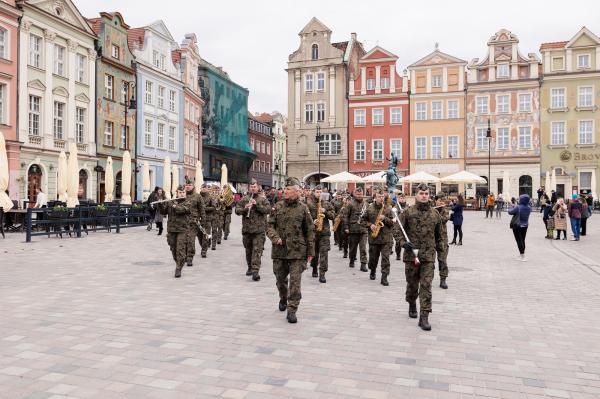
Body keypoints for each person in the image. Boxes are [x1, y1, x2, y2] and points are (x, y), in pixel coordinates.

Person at [266, 177, 315, 324]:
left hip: (297, 251)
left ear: (296, 191)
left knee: (295, 282)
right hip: (279, 250)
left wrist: (311, 252)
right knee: (280, 280)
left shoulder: (303, 208)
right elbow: (269, 226)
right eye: (285, 189)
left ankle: (292, 308)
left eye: (288, 189)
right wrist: (275, 238)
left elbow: (310, 231)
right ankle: (283, 297)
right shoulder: (277, 207)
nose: (285, 191)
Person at [398, 183, 444, 331]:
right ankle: (412, 303)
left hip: (428, 256)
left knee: (426, 285)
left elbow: (439, 235)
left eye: (426, 193)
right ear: (416, 195)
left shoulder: (435, 214)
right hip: (412, 256)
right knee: (412, 285)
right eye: (421, 193)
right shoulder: (407, 212)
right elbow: (397, 230)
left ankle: (424, 316)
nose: (424, 196)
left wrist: (441, 253)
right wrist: (403, 243)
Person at [235, 178, 271, 281]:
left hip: (259, 230)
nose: (253, 188)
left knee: (257, 251)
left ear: (258, 187)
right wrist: (245, 208)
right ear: (249, 188)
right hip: (247, 230)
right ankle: (250, 267)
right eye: (251, 187)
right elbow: (237, 211)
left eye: (254, 187)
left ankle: (256, 271)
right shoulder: (244, 199)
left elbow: (268, 210)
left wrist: (257, 205)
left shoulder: (263, 199)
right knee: (248, 250)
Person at [362, 190, 394, 286]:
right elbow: (362, 220)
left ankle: (384, 277)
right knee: (373, 258)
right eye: (379, 196)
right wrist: (370, 225)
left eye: (382, 196)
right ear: (375, 197)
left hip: (386, 239)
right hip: (374, 239)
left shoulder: (388, 208)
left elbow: (393, 223)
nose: (381, 198)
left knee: (385, 259)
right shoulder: (369, 208)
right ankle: (373, 270)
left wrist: (385, 218)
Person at [158, 186, 190, 278]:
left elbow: (181, 210)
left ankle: (178, 268)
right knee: (173, 249)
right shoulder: (171, 202)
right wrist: (160, 204)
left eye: (183, 192)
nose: (182, 194)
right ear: (177, 193)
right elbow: (164, 212)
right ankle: (179, 262)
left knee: (180, 249)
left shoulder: (188, 202)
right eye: (180, 192)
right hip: (172, 229)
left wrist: (172, 205)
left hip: (183, 230)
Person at [307, 185, 335, 283]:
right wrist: (312, 221)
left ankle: (322, 273)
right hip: (313, 232)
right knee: (314, 253)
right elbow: (304, 217)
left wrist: (325, 211)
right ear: (313, 192)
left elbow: (333, 216)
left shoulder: (326, 204)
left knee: (324, 253)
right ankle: (314, 267)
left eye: (320, 192)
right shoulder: (308, 204)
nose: (319, 194)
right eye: (317, 192)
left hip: (324, 233)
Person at [343, 187, 368, 272]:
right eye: (358, 194)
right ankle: (352, 260)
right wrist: (346, 227)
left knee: (363, 248)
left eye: (361, 194)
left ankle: (363, 264)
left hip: (363, 230)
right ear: (354, 194)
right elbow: (345, 216)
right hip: (353, 229)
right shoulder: (350, 204)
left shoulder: (366, 204)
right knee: (353, 248)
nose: (359, 196)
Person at [183, 179, 205, 267]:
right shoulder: (181, 196)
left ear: (193, 186)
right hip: (182, 223)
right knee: (183, 241)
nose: (187, 186)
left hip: (193, 222)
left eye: (189, 185)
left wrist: (203, 221)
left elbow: (202, 210)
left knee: (191, 240)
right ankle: (184, 256)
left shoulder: (197, 196)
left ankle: (189, 257)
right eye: (186, 185)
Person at [508, 194, 531, 261]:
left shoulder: (518, 207)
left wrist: (511, 206)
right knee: (522, 240)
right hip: (525, 225)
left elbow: (510, 212)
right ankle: (522, 254)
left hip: (517, 225)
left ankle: (523, 256)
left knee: (519, 240)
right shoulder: (529, 207)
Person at [433, 195, 450, 289]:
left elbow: (444, 219)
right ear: (435, 201)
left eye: (443, 201)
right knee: (429, 261)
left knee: (442, 260)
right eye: (439, 200)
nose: (441, 202)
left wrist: (434, 212)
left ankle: (443, 280)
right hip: (431, 238)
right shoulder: (430, 209)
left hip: (442, 239)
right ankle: (428, 278)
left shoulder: (445, 210)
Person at [199, 184, 216, 256]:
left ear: (206, 189)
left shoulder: (210, 197)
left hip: (207, 219)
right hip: (198, 220)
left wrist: (204, 209)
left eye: (204, 188)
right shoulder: (197, 197)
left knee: (205, 235)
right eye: (202, 187)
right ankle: (205, 244)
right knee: (199, 235)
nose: (203, 189)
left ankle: (204, 251)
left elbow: (214, 207)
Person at [393, 192, 408, 260]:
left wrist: (405, 211)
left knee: (407, 242)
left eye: (403, 198)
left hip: (406, 226)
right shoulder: (395, 207)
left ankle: (406, 255)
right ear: (398, 199)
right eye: (401, 198)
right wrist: (400, 213)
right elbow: (394, 218)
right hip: (398, 227)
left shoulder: (408, 206)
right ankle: (398, 255)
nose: (402, 199)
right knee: (398, 242)